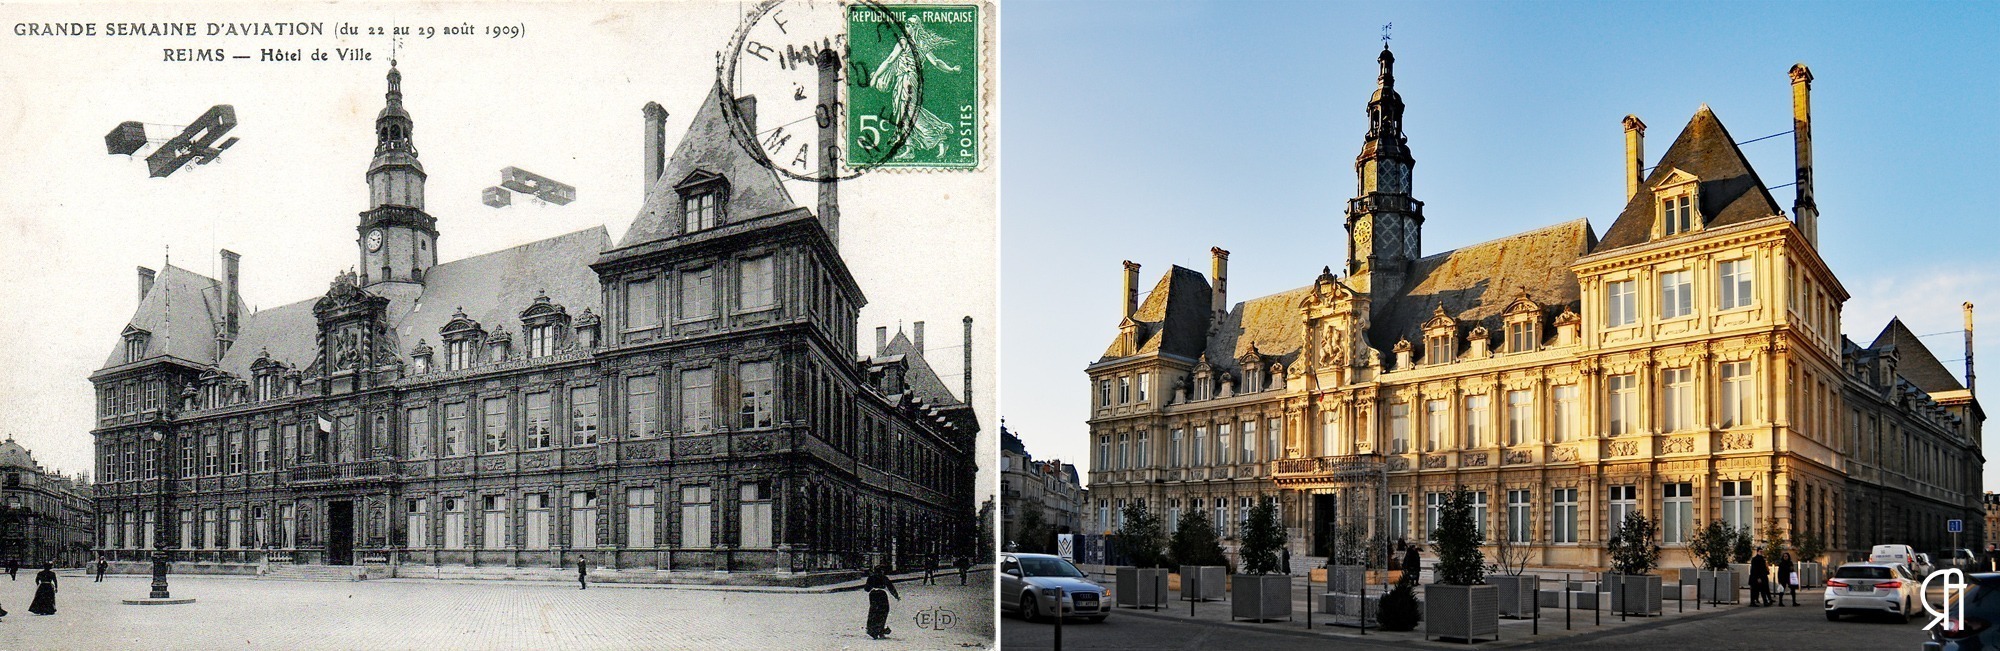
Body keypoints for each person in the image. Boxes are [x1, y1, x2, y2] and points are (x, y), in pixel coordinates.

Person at [864, 565, 901, 639]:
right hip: (882, 595)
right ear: (881, 571)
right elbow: (891, 587)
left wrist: (872, 584)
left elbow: (866, 589)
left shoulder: (871, 577)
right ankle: (880, 630)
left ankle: (872, 629)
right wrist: (896, 596)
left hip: (873, 594)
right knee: (883, 612)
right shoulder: (884, 578)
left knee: (873, 611)